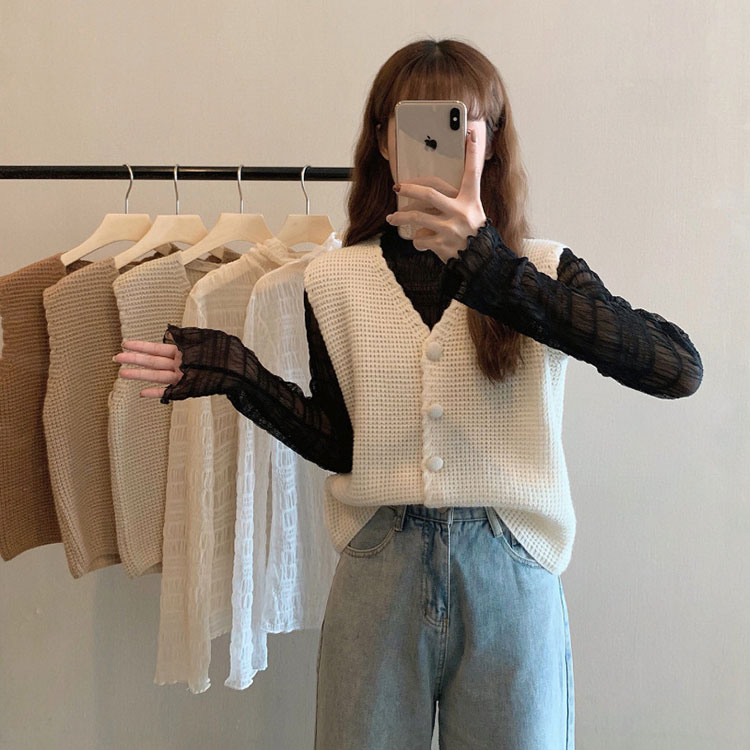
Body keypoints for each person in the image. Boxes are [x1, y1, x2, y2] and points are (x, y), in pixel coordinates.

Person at [115, 38, 702, 750]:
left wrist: (491, 267)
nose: (435, 144)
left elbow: (676, 368)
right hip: (378, 569)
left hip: (511, 573)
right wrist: (241, 373)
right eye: (414, 125)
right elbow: (343, 445)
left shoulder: (541, 270)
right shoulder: (333, 279)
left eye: (458, 124)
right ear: (383, 143)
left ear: (490, 142)